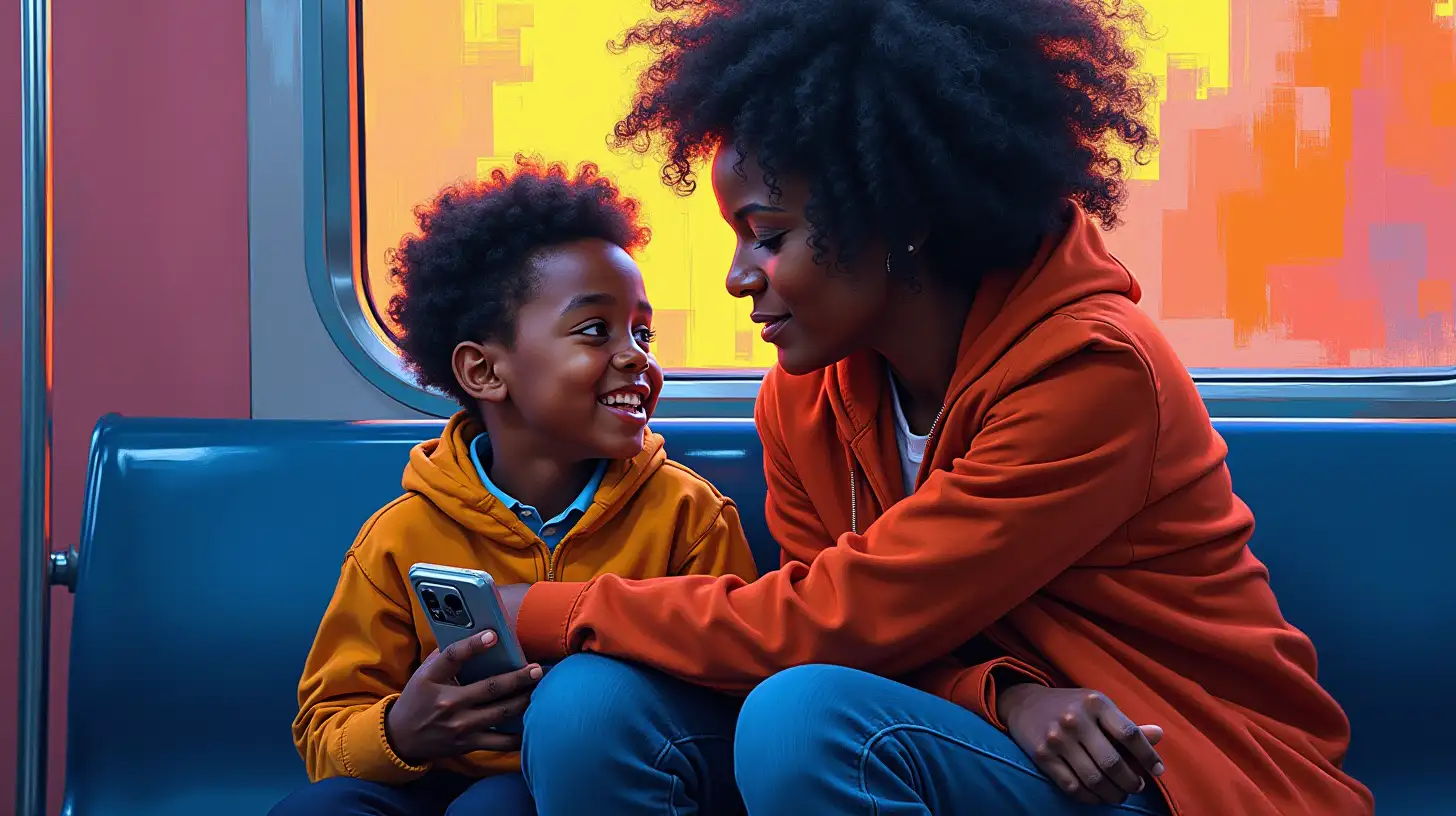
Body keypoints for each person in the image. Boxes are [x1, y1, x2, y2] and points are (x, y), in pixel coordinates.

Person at [501, 2, 1376, 815]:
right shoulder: (804, 399)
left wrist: (543, 611)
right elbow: (865, 638)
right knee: (590, 705)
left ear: (898, 213)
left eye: (769, 236)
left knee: (808, 722)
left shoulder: (1093, 372)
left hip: (1173, 764)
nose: (739, 276)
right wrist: (1005, 697)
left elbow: (828, 624)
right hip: (1000, 733)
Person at [269, 158, 761, 816]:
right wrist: (399, 732)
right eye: (595, 330)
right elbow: (324, 733)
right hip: (425, 778)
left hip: (581, 784)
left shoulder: (688, 517)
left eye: (643, 332)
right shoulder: (400, 537)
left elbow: (730, 698)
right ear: (484, 371)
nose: (637, 357)